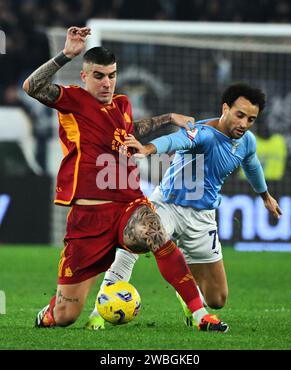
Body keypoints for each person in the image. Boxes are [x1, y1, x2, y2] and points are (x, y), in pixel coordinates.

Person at [22, 26, 228, 332]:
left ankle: (200, 315)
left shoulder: (122, 105)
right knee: (67, 314)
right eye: (99, 76)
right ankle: (52, 310)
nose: (107, 83)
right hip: (88, 219)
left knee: (155, 232)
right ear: (84, 76)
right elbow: (31, 86)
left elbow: (131, 130)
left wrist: (169, 118)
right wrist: (66, 55)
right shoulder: (73, 100)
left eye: (112, 75)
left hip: (128, 204)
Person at [86, 82, 282, 330]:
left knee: (217, 298)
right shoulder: (203, 133)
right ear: (225, 109)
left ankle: (185, 292)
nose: (243, 124)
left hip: (202, 218)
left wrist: (265, 196)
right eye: (239, 115)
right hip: (167, 205)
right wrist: (149, 148)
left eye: (250, 119)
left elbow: (252, 165)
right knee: (130, 245)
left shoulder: (247, 142)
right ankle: (97, 314)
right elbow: (175, 140)